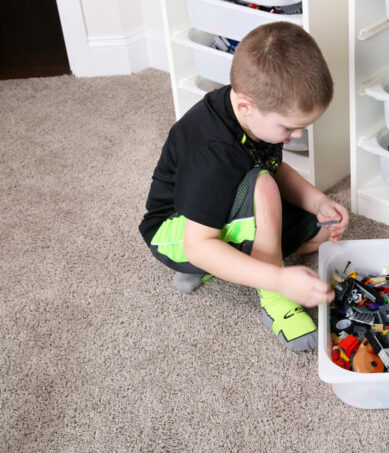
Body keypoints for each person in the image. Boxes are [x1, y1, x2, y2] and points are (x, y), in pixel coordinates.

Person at [138, 22, 349, 351]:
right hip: (177, 234)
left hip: (223, 204)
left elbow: (274, 167)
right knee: (262, 187)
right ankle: (274, 302)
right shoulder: (211, 155)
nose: (296, 137)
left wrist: (318, 201)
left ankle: (233, 263)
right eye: (290, 129)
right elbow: (198, 244)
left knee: (321, 230)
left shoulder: (249, 113)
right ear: (247, 107)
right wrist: (278, 279)